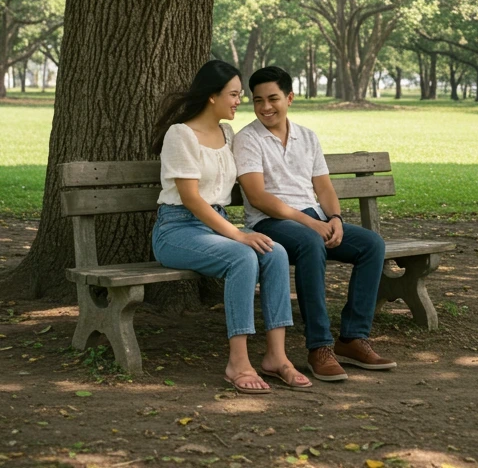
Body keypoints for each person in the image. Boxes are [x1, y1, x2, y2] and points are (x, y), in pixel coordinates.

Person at [150, 60, 311, 393]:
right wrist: (238, 234)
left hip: (215, 227)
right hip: (177, 230)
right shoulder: (181, 134)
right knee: (243, 257)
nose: (240, 101)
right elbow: (192, 199)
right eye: (234, 94)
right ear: (212, 97)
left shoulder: (227, 133)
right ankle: (237, 362)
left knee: (275, 252)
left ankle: (276, 357)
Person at [233, 65, 395, 382]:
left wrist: (333, 219)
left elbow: (324, 188)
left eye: (273, 98)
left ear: (290, 97)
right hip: (270, 223)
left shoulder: (307, 137)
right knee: (309, 242)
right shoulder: (248, 139)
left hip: (313, 220)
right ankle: (319, 347)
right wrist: (311, 223)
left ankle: (352, 338)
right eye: (257, 100)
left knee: (371, 245)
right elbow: (257, 197)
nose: (265, 107)